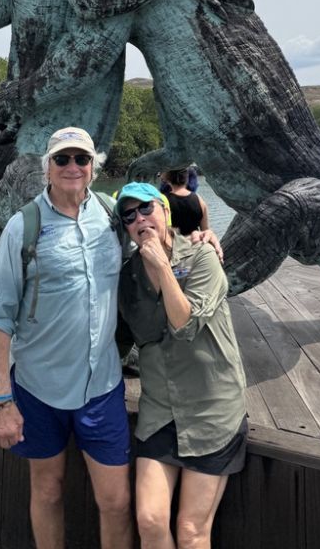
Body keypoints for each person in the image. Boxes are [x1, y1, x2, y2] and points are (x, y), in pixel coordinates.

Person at [0, 127, 132, 549]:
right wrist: (1, 401)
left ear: (93, 167)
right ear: (47, 167)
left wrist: (202, 234)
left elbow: (155, 236)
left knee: (116, 501)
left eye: (81, 159)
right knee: (47, 491)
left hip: (101, 386)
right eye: (62, 159)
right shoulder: (22, 227)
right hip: (38, 387)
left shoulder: (111, 215)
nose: (72, 167)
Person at [116, 183, 247, 549]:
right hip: (160, 410)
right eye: (129, 216)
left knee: (191, 532)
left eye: (146, 209)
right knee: (150, 519)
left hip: (212, 410)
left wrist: (161, 264)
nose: (139, 219)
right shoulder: (127, 279)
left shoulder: (202, 257)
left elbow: (185, 325)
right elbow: (115, 342)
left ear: (165, 212)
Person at [162, 167, 210, 235]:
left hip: (174, 243)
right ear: (187, 179)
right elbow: (205, 231)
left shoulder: (163, 200)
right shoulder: (199, 200)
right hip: (195, 243)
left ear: (168, 180)